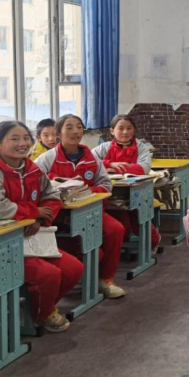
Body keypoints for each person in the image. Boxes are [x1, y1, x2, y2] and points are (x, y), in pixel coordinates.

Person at [0, 121, 83, 332]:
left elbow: (52, 197)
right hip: (5, 244)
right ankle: (43, 314)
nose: (22, 143)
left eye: (25, 138)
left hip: (31, 238)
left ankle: (40, 309)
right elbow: (1, 207)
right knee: (48, 275)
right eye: (14, 139)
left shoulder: (32, 169)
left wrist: (40, 220)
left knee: (73, 269)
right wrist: (33, 212)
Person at [35, 114, 127, 298]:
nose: (75, 132)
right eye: (69, 127)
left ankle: (106, 279)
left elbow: (106, 185)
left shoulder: (91, 158)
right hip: (59, 215)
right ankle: (77, 276)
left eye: (79, 127)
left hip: (90, 211)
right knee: (93, 251)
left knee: (116, 230)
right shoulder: (46, 159)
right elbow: (35, 188)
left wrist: (84, 191)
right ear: (58, 133)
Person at [92, 114, 161, 250]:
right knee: (119, 224)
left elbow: (144, 168)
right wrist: (110, 164)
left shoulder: (141, 148)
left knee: (139, 222)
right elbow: (90, 162)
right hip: (112, 194)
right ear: (112, 131)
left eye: (129, 128)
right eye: (121, 128)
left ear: (134, 130)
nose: (125, 132)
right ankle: (120, 245)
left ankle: (153, 242)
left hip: (137, 193)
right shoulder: (104, 147)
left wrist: (113, 169)